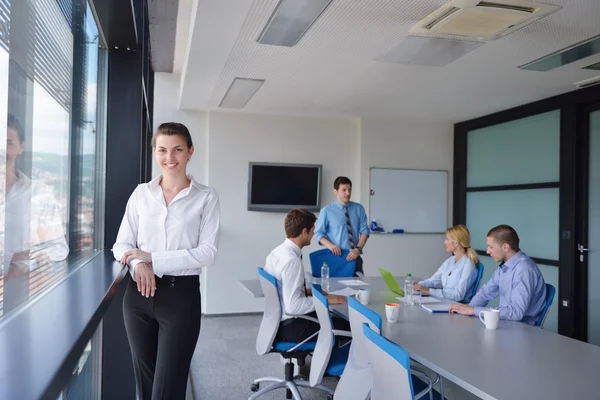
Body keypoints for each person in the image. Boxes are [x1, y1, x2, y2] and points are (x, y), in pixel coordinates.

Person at [112, 122, 220, 399]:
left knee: (168, 389)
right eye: (162, 150)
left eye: (177, 150)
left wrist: (151, 258)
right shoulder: (141, 194)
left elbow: (208, 252)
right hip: (137, 297)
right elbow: (122, 244)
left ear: (190, 152)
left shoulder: (206, 197)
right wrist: (139, 265)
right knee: (146, 386)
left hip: (180, 297)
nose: (169, 158)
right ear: (154, 152)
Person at [265, 208, 349, 343]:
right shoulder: (292, 261)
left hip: (277, 322)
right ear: (304, 232)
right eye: (312, 230)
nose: (313, 234)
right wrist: (325, 300)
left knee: (332, 318)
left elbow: (283, 289)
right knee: (347, 327)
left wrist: (307, 292)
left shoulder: (277, 252)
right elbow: (293, 306)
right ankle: (332, 363)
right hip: (291, 326)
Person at [449, 225, 546, 325]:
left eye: (491, 247)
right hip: (506, 323)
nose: (487, 251)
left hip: (522, 328)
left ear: (505, 247)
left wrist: (474, 310)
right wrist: (467, 309)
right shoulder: (505, 266)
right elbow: (485, 292)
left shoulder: (524, 269)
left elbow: (516, 312)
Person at [314, 176, 369, 275]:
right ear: (335, 191)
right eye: (344, 190)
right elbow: (319, 233)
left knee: (358, 288)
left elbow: (365, 231)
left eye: (349, 190)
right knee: (336, 289)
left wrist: (358, 249)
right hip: (336, 258)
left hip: (355, 256)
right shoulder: (326, 211)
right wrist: (330, 246)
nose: (347, 193)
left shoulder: (359, 209)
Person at [414, 224, 478, 302]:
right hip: (444, 301)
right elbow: (434, 280)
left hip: (457, 306)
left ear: (456, 243)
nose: (444, 242)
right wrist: (419, 285)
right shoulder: (450, 261)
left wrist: (428, 291)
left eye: (447, 239)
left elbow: (458, 295)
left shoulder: (468, 265)